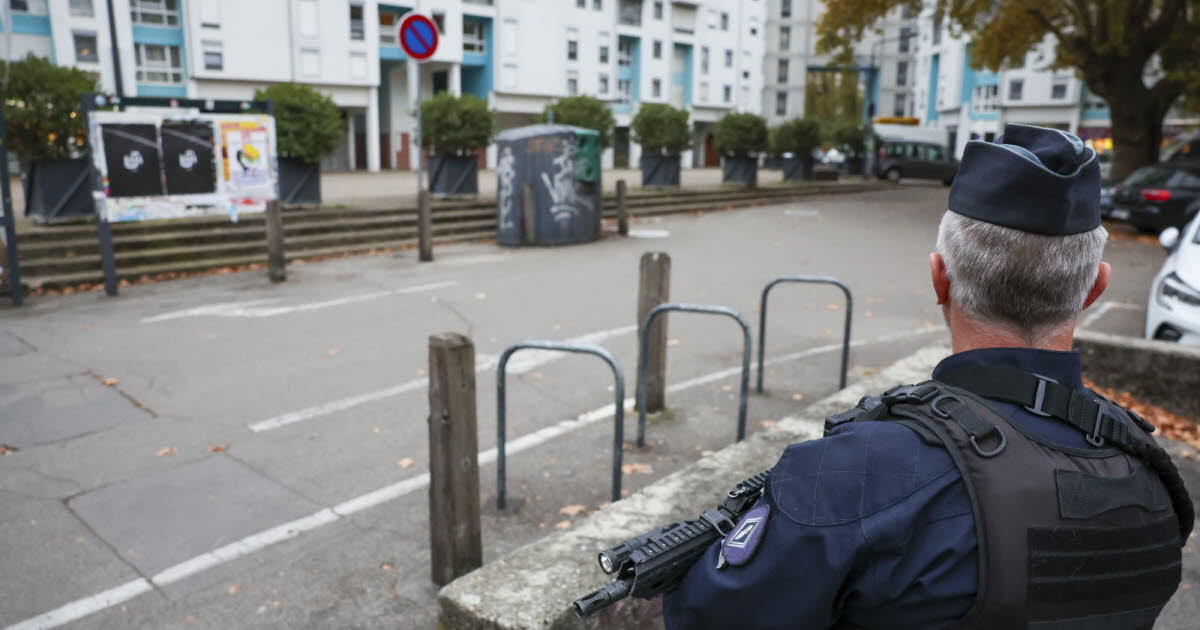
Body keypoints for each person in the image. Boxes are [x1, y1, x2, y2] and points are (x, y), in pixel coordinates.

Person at [663, 124, 1194, 629]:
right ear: (1094, 289)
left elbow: (707, 614)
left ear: (940, 278)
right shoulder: (1148, 477)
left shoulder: (855, 475)